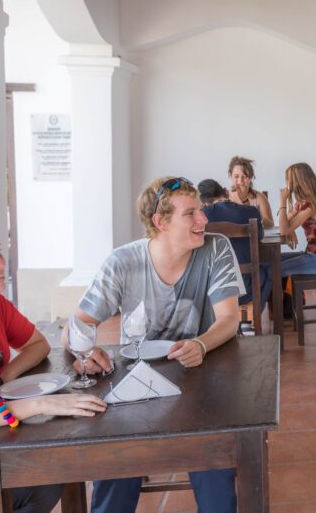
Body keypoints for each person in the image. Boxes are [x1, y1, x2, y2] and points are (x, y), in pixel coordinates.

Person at [63, 177, 244, 513]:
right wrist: (85, 352)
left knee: (213, 464)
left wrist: (201, 345)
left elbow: (228, 320)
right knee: (114, 462)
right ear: (160, 223)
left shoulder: (215, 248)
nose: (203, 220)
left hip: (203, 384)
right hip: (138, 388)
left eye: (201, 211)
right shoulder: (123, 262)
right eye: (190, 214)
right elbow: (77, 325)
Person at [0, 216, 106, 513]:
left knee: (56, 467)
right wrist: (34, 406)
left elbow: (37, 345)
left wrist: (5, 376)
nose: (1, 262)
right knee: (32, 481)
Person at [198, 178, 271, 318]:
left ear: (204, 201)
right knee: (269, 269)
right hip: (246, 290)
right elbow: (260, 237)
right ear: (225, 191)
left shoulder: (201, 217)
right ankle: (250, 317)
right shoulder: (251, 211)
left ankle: (218, 318)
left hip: (214, 292)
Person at [278, 163, 316, 277]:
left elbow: (283, 230)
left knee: (274, 270)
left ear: (298, 182)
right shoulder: (302, 202)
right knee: (273, 261)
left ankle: (280, 295)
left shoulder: (311, 205)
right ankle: (284, 295)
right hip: (313, 254)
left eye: (289, 180)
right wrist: (291, 230)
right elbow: (286, 224)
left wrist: (282, 201)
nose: (287, 184)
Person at [227, 156, 273, 228]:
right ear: (230, 176)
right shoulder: (225, 197)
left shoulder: (259, 197)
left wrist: (257, 215)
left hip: (255, 238)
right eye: (236, 176)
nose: (240, 181)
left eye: (245, 176)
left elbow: (270, 224)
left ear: (251, 177)